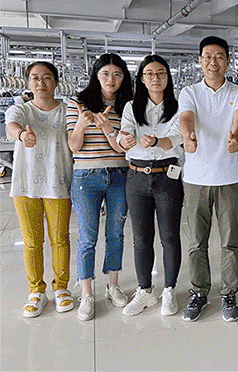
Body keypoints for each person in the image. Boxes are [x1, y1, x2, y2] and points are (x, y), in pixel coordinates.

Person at [179, 36, 238, 322]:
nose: (213, 62)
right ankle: (199, 292)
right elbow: (186, 116)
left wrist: (234, 136)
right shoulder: (189, 92)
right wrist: (188, 135)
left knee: (230, 241)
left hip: (230, 177)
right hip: (196, 179)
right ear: (200, 61)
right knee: (197, 242)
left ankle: (229, 293)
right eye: (207, 56)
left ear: (227, 61)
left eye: (219, 56)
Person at [66, 53, 133, 321]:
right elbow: (73, 146)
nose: (111, 79)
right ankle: (86, 293)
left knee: (116, 233)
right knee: (87, 236)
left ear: (124, 78)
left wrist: (107, 129)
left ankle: (112, 285)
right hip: (86, 177)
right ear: (96, 75)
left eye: (117, 74)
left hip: (119, 174)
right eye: (105, 73)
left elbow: (124, 149)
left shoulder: (128, 106)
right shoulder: (78, 103)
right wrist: (81, 125)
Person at [6, 62, 74, 317]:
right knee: (32, 241)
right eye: (35, 78)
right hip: (25, 185)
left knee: (60, 238)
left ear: (55, 82)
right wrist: (22, 135)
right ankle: (36, 291)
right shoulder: (21, 110)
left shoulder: (66, 111)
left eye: (46, 77)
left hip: (58, 183)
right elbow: (11, 125)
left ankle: (61, 288)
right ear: (28, 83)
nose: (40, 82)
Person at [118, 55, 184, 317]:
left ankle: (169, 289)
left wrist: (157, 142)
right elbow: (126, 131)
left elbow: (177, 137)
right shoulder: (131, 106)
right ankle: (144, 291)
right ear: (142, 78)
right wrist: (124, 139)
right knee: (141, 238)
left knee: (169, 236)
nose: (155, 78)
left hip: (168, 177)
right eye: (149, 74)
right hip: (136, 177)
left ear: (168, 77)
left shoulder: (178, 106)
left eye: (161, 73)